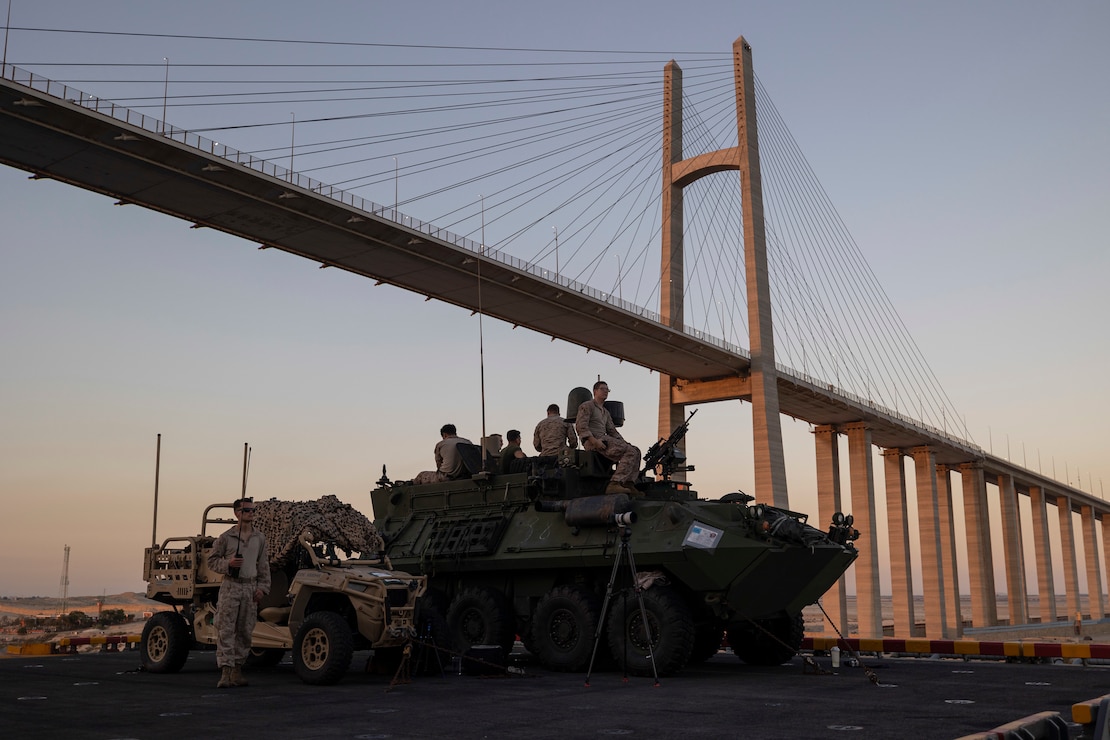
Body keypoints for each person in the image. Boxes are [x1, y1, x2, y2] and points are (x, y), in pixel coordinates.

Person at [207, 497, 270, 689]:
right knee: (226, 629)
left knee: (245, 630)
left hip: (250, 588)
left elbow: (263, 566)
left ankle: (237, 670)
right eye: (247, 510)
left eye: (253, 510)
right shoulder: (226, 538)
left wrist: (262, 588)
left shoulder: (259, 538)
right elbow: (211, 561)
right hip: (231, 586)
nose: (251, 514)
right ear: (237, 513)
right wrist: (229, 564)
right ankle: (226, 672)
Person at [575, 380, 641, 494]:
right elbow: (581, 427)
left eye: (607, 390)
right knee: (630, 452)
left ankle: (628, 483)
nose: (606, 391)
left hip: (604, 439)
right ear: (595, 391)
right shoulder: (587, 406)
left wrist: (624, 442)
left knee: (636, 450)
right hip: (594, 441)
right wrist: (594, 441)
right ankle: (614, 483)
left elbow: (612, 431)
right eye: (603, 389)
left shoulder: (605, 412)